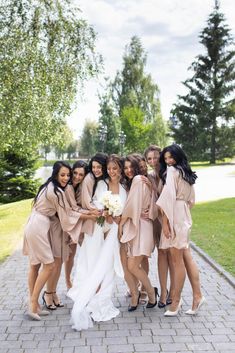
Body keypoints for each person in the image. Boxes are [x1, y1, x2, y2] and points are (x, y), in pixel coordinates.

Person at [23, 161, 96, 320]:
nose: (66, 178)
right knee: (48, 265)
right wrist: (91, 215)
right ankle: (33, 304)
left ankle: (35, 304)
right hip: (39, 225)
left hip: (35, 222)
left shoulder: (49, 186)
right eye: (63, 175)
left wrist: (91, 213)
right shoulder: (56, 192)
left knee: (35, 264)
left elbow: (71, 210)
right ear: (55, 174)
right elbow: (68, 215)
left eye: (67, 175)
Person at [68, 153, 126, 331]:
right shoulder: (102, 184)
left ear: (120, 169)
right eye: (109, 169)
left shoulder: (124, 187)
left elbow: (127, 207)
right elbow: (95, 202)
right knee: (94, 264)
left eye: (115, 168)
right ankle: (88, 297)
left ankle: (103, 300)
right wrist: (106, 212)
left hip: (114, 231)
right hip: (99, 228)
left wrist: (118, 218)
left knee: (108, 268)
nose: (111, 172)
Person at [156, 144, 205, 316]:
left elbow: (168, 197)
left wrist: (166, 223)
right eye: (166, 158)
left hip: (174, 215)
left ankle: (175, 302)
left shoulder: (172, 171)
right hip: (183, 213)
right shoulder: (186, 172)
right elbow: (192, 200)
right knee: (186, 256)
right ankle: (197, 296)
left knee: (177, 262)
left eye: (171, 157)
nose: (168, 161)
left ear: (177, 156)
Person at [119, 154, 158, 312]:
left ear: (136, 167)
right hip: (141, 225)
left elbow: (130, 206)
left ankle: (150, 293)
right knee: (134, 265)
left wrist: (121, 222)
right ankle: (142, 294)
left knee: (133, 265)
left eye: (131, 167)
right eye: (126, 168)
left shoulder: (138, 180)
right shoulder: (142, 180)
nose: (128, 170)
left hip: (140, 226)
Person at [144, 145, 173, 308]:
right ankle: (163, 291)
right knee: (162, 254)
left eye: (155, 157)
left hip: (168, 218)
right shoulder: (149, 176)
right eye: (149, 158)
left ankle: (174, 292)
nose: (152, 161)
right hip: (156, 221)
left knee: (173, 256)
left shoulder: (168, 173)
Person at [64, 160, 89, 290]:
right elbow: (72, 208)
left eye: (81, 174)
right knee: (70, 254)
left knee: (86, 250)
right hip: (68, 222)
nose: (77, 177)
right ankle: (68, 281)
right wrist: (92, 213)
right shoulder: (67, 186)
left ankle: (86, 280)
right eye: (75, 173)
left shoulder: (83, 186)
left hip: (81, 222)